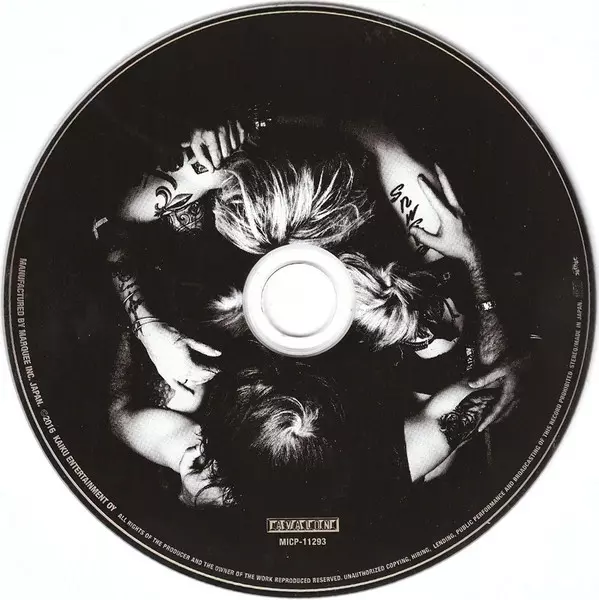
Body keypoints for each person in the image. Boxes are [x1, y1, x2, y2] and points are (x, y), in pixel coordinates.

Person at [109, 332, 498, 509]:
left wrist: (141, 330)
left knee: (179, 392)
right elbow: (494, 383)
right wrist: (477, 277)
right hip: (387, 493)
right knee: (439, 463)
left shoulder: (201, 470)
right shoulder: (391, 462)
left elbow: (118, 411)